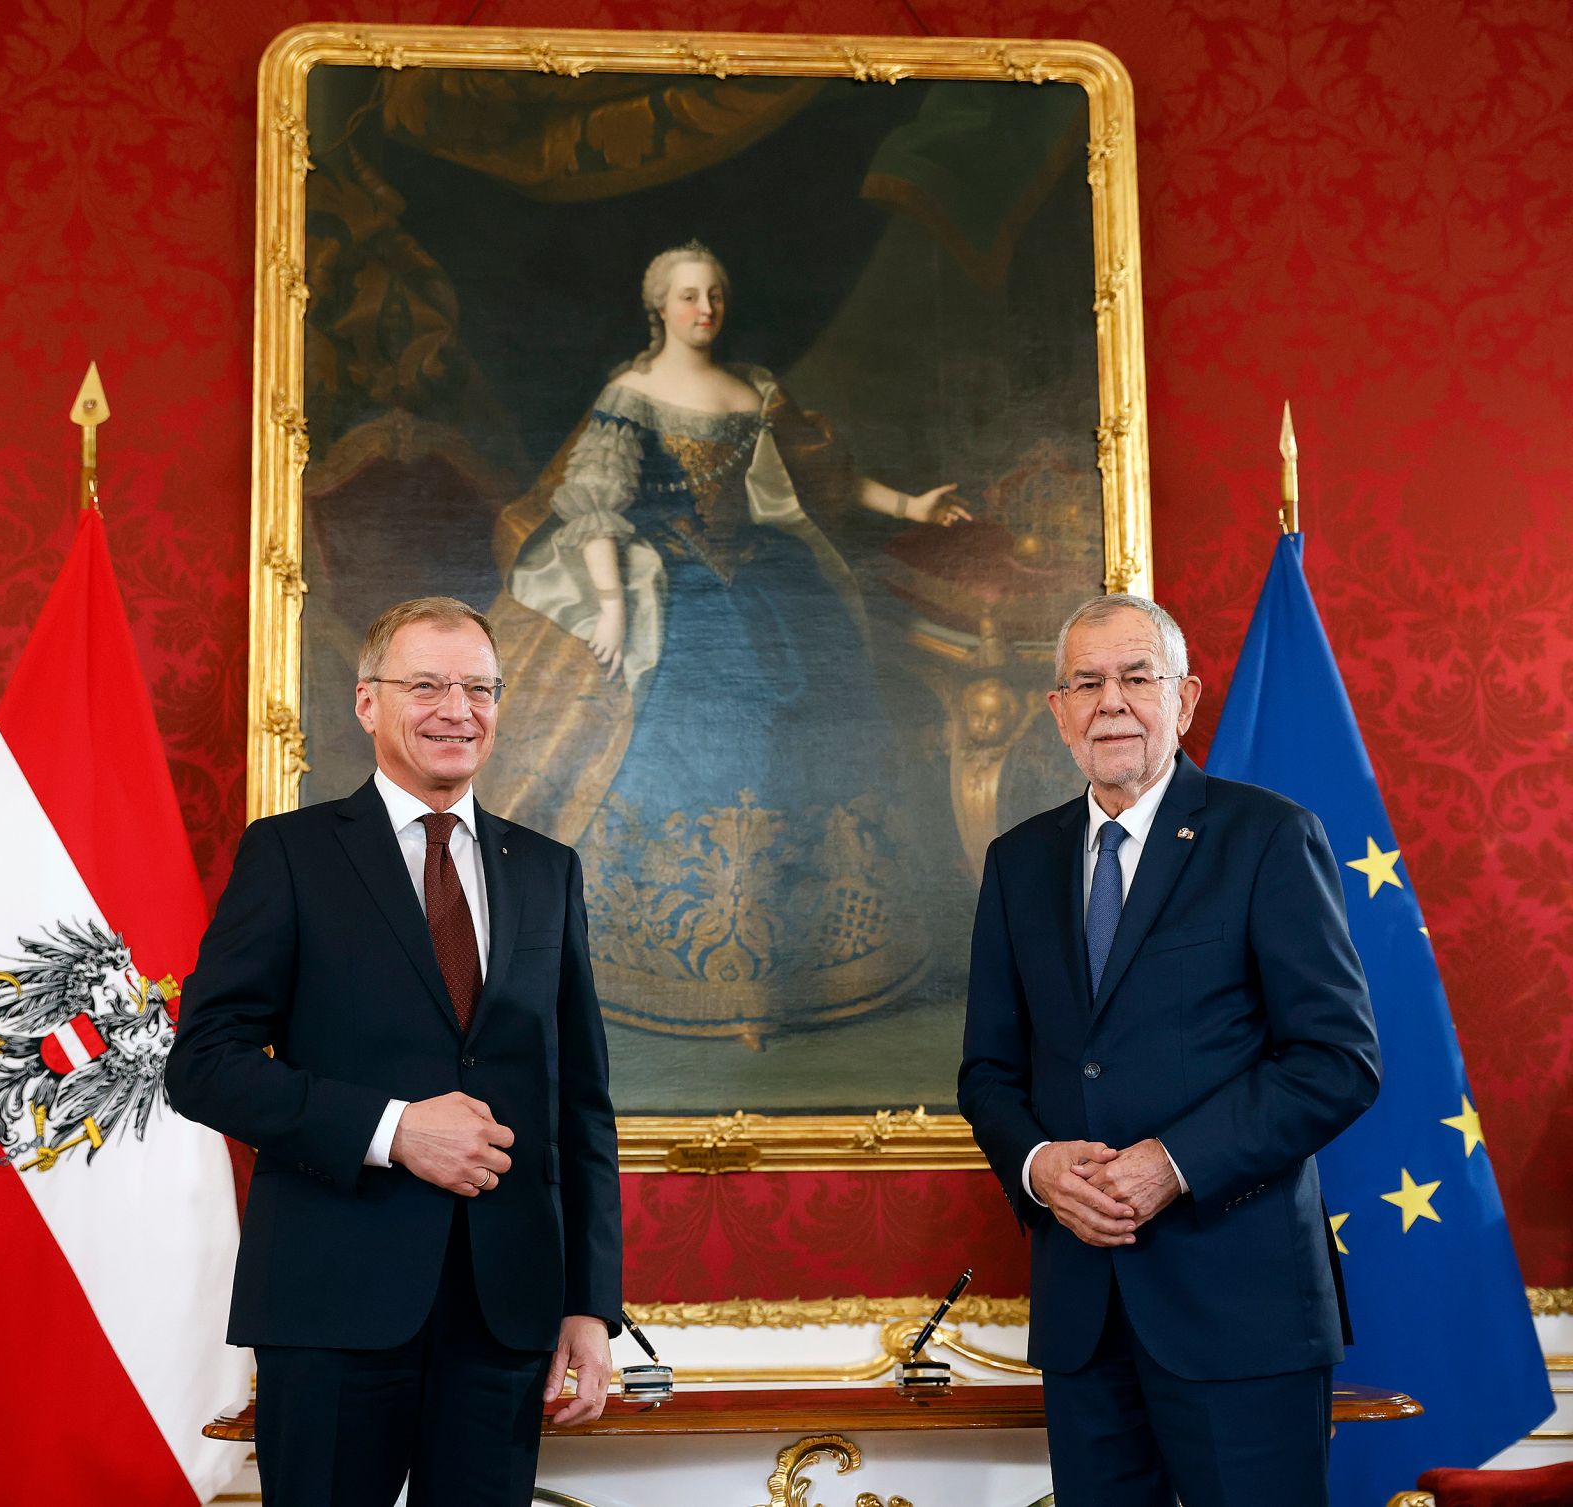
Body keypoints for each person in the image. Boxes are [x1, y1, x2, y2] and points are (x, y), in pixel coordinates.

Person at [166, 597, 622, 1507]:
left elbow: (579, 1101)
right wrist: (393, 1129)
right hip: (333, 1302)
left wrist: (589, 1303)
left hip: (506, 1312)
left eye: (479, 687)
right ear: (368, 702)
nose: (458, 708)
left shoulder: (546, 868)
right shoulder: (290, 854)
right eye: (427, 684)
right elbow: (203, 1062)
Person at [484, 241, 969, 1041]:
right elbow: (596, 505)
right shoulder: (631, 393)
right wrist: (610, 605)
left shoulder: (755, 391)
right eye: (685, 296)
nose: (703, 308)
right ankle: (669, 963)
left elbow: (824, 482)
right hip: (669, 582)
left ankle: (806, 959)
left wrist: (911, 506)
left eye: (713, 294)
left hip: (771, 578)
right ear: (659, 308)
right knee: (693, 721)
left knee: (816, 712)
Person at [957, 594, 1381, 1506]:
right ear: (1058, 709)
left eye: (1136, 677)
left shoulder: (1266, 836)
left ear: (1184, 700)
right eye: (1087, 682)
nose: (1112, 701)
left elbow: (1337, 1058)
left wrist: (1173, 1162)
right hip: (1083, 1314)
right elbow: (987, 1071)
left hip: (1242, 1310)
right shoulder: (1018, 861)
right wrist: (1036, 1165)